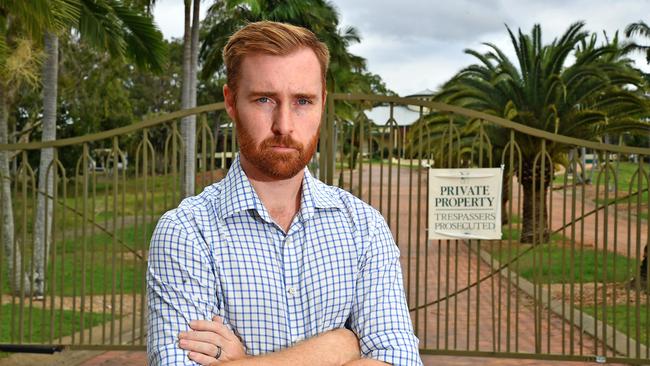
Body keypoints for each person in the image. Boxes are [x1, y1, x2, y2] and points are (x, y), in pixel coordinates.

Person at [146, 21, 421, 366]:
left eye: (303, 101)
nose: (284, 125)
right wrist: (339, 345)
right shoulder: (186, 232)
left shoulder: (363, 227)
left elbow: (400, 360)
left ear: (322, 102)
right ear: (230, 101)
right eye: (264, 99)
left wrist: (243, 362)